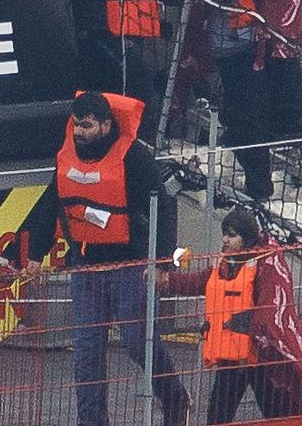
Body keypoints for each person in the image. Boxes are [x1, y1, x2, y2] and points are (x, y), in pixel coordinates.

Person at [35, 92, 190, 426]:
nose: (80, 132)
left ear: (106, 125)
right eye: (76, 125)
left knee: (137, 344)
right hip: (86, 267)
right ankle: (91, 422)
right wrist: (35, 254)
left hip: (129, 267)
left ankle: (175, 398)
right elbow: (51, 204)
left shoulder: (134, 158)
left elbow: (165, 206)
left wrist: (161, 262)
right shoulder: (66, 157)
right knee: (87, 351)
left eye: (88, 126)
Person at [158, 208, 302, 423]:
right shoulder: (227, 263)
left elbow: (272, 308)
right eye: (224, 233)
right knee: (218, 413)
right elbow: (201, 281)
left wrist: (246, 325)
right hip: (233, 353)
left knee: (277, 412)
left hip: (261, 354)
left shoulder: (268, 262)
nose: (225, 240)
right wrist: (167, 281)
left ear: (247, 237)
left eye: (232, 235)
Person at [208, 0, 302, 201]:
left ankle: (236, 128)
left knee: (287, 106)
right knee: (252, 115)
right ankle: (260, 186)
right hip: (236, 44)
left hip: (277, 41)